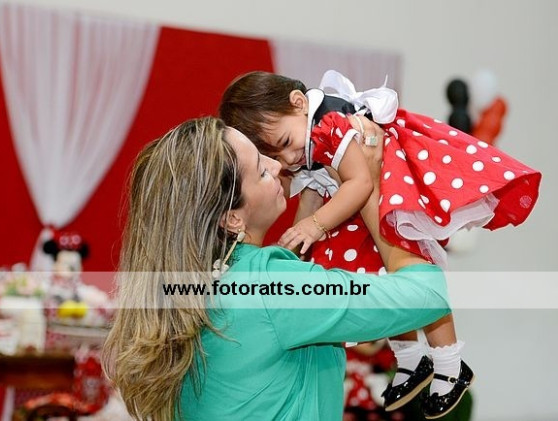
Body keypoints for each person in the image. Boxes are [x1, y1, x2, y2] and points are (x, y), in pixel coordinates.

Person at [219, 70, 541, 418]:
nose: (285, 161)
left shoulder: (331, 124)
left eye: (283, 144)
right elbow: (319, 195)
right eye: (272, 159)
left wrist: (314, 225)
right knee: (383, 277)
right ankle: (411, 357)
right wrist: (302, 235)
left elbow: (360, 184)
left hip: (393, 184)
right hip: (365, 199)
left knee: (412, 269)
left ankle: (449, 363)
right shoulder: (307, 142)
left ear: (299, 103)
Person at [102, 117, 452, 421]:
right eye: (259, 169)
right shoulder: (272, 287)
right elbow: (428, 295)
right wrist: (372, 189)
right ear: (232, 218)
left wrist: (312, 203)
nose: (275, 165)